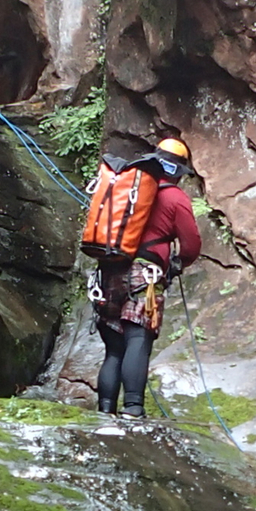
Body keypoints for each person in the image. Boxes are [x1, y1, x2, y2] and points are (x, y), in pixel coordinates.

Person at [91, 137, 200, 418]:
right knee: (138, 338)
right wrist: (177, 263)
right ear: (179, 171)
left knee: (114, 349)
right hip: (144, 276)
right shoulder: (175, 198)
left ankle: (104, 411)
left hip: (109, 272)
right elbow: (191, 244)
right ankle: (133, 409)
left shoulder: (127, 189)